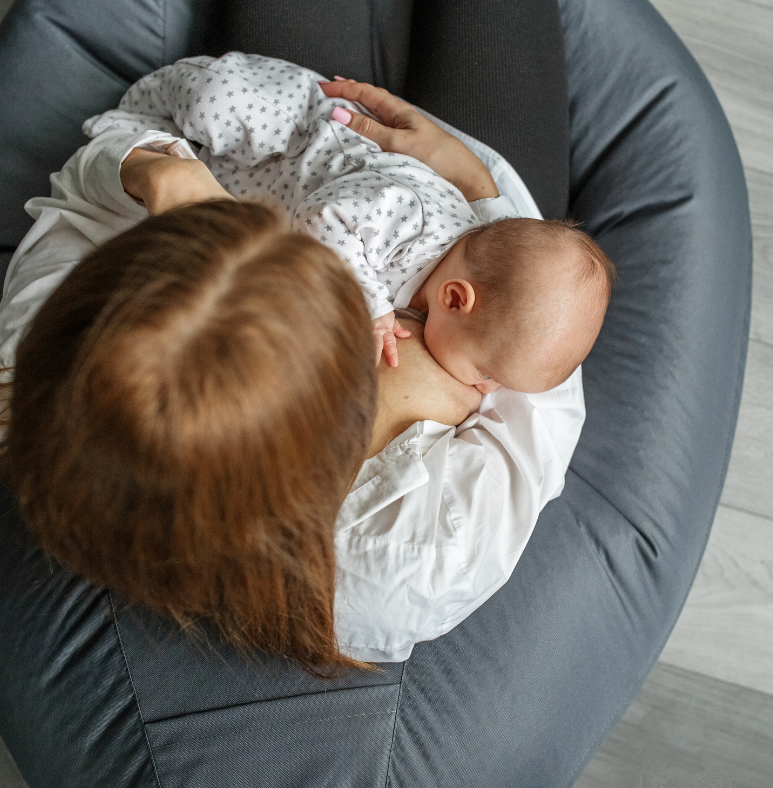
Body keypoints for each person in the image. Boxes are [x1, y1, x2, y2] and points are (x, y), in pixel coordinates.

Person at [0, 69, 589, 666]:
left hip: (349, 158)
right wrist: (478, 186)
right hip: (500, 237)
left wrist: (160, 173)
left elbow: (91, 176)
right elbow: (544, 379)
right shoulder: (410, 558)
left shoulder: (45, 355)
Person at [83, 52, 615, 393]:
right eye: (489, 376)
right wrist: (375, 309)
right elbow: (327, 217)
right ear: (455, 298)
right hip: (290, 130)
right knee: (217, 102)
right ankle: (131, 116)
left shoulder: (449, 281)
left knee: (208, 160)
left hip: (259, 185)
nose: (487, 392)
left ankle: (143, 139)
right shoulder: (416, 221)